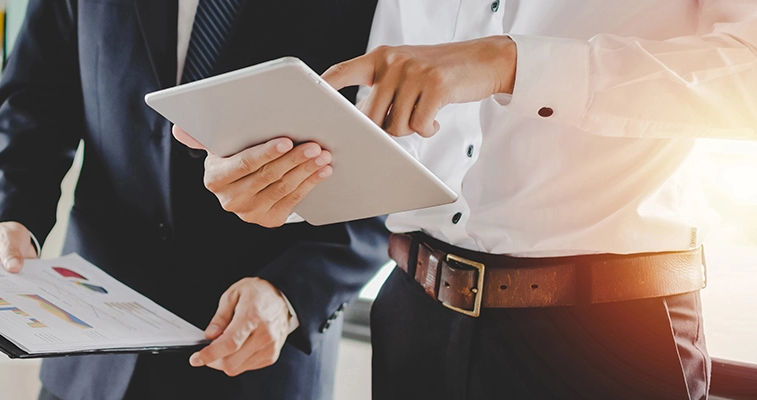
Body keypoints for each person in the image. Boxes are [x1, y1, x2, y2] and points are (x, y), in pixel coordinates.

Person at [176, 1, 757, 399]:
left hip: (611, 335)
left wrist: (509, 62)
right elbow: (391, 114)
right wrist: (292, 182)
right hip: (413, 315)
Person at [0, 0, 390, 399]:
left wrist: (292, 296)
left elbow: (387, 167)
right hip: (88, 357)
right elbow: (36, 97)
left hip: (251, 356)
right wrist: (12, 215)